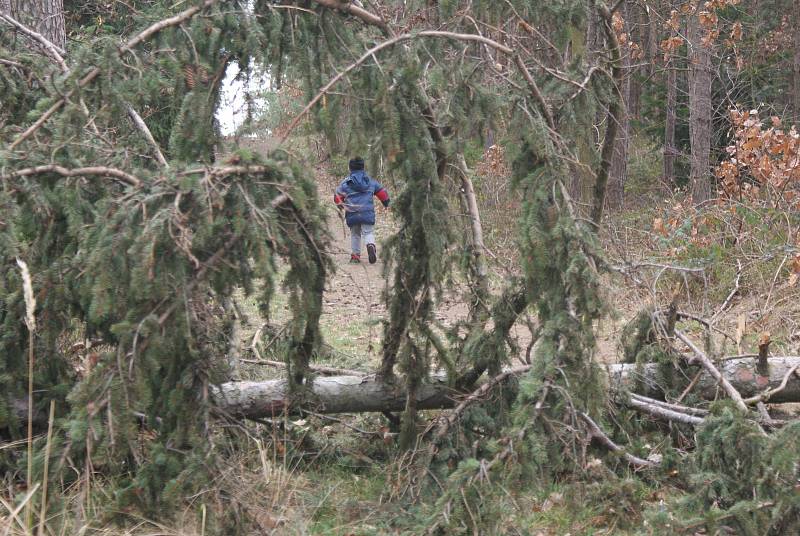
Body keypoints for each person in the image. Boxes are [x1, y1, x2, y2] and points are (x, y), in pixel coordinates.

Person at [334, 157, 390, 264]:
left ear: (350, 168)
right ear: (363, 167)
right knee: (368, 232)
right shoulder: (370, 181)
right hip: (367, 212)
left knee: (355, 234)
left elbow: (337, 197)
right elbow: (382, 192)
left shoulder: (346, 183)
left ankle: (355, 256)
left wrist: (340, 205)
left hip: (352, 213)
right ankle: (370, 245)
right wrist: (386, 202)